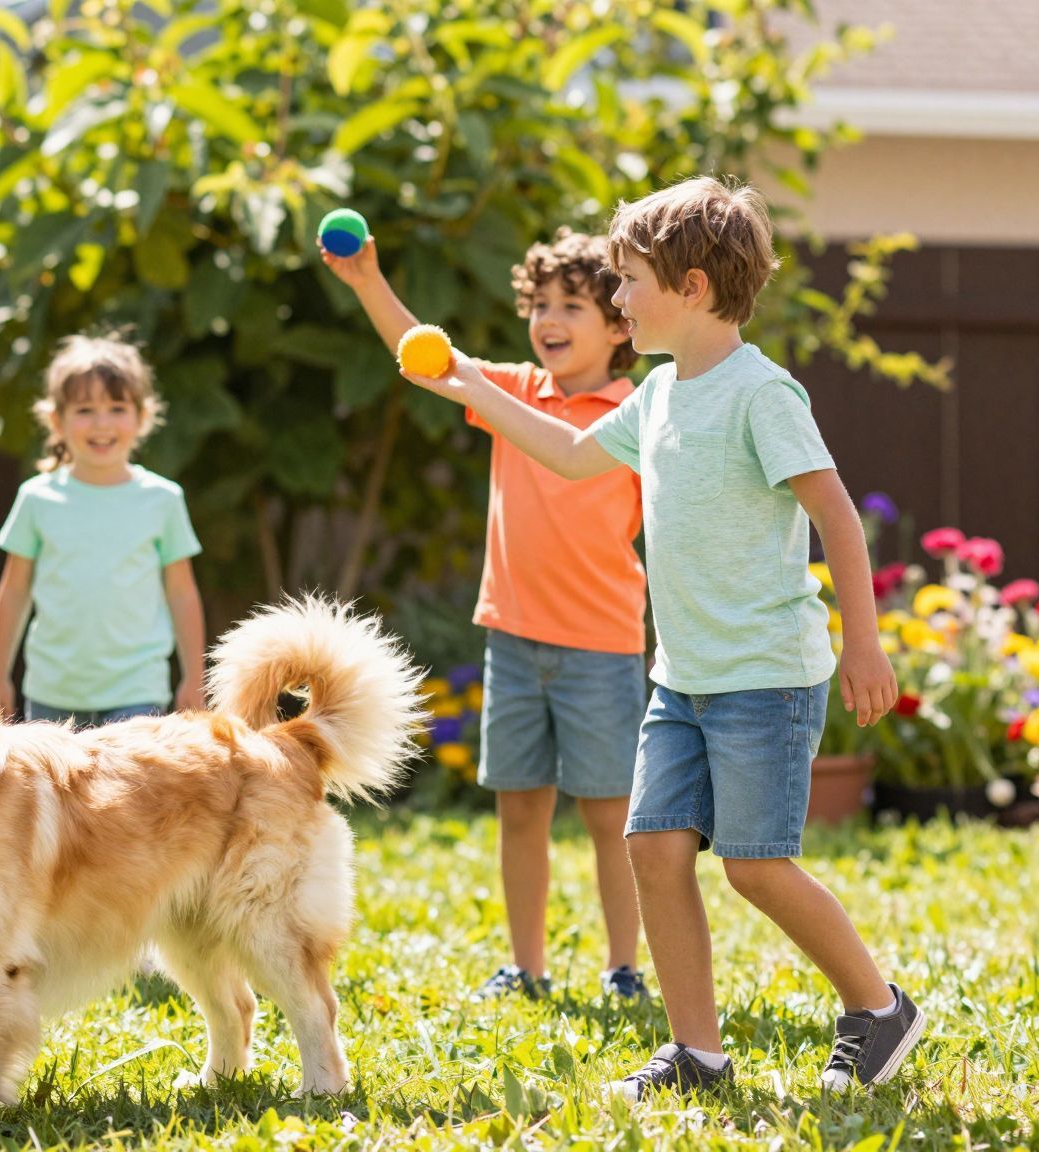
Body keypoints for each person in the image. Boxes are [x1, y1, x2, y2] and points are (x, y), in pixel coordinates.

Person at [400, 176, 924, 1099]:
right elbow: (566, 457)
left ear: (689, 286)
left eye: (627, 280)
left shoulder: (763, 395)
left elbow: (837, 517)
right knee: (653, 848)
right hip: (681, 677)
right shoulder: (654, 393)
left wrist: (865, 643)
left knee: (756, 867)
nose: (616, 298)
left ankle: (879, 1008)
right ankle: (698, 1054)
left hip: (764, 674)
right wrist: (471, 387)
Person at [322, 227, 649, 1003]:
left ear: (620, 326)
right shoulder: (513, 388)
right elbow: (423, 355)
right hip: (513, 637)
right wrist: (369, 280)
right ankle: (526, 967)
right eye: (540, 304)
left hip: (603, 647)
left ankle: (624, 968)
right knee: (521, 811)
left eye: (572, 303)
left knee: (613, 819)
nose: (549, 318)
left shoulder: (636, 413)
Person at [0, 335, 205, 727]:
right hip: (53, 694)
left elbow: (182, 592)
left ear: (142, 416)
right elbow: (14, 591)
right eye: (85, 409)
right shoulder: (37, 498)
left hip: (139, 691)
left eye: (117, 408)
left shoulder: (163, 500)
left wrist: (193, 678)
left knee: (128, 791)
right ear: (57, 419)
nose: (102, 423)